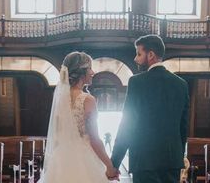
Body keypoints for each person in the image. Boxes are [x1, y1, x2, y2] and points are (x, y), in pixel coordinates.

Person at [110, 34, 189, 183]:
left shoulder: (137, 82)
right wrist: (178, 156)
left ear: (151, 55)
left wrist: (114, 162)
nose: (135, 59)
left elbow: (127, 125)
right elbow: (183, 127)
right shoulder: (181, 84)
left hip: (144, 161)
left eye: (139, 54)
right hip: (172, 161)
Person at [38, 51, 118, 183]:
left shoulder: (59, 98)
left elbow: (57, 134)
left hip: (60, 160)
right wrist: (110, 166)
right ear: (82, 72)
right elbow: (94, 139)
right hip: (83, 158)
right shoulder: (88, 100)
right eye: (90, 68)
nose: (92, 72)